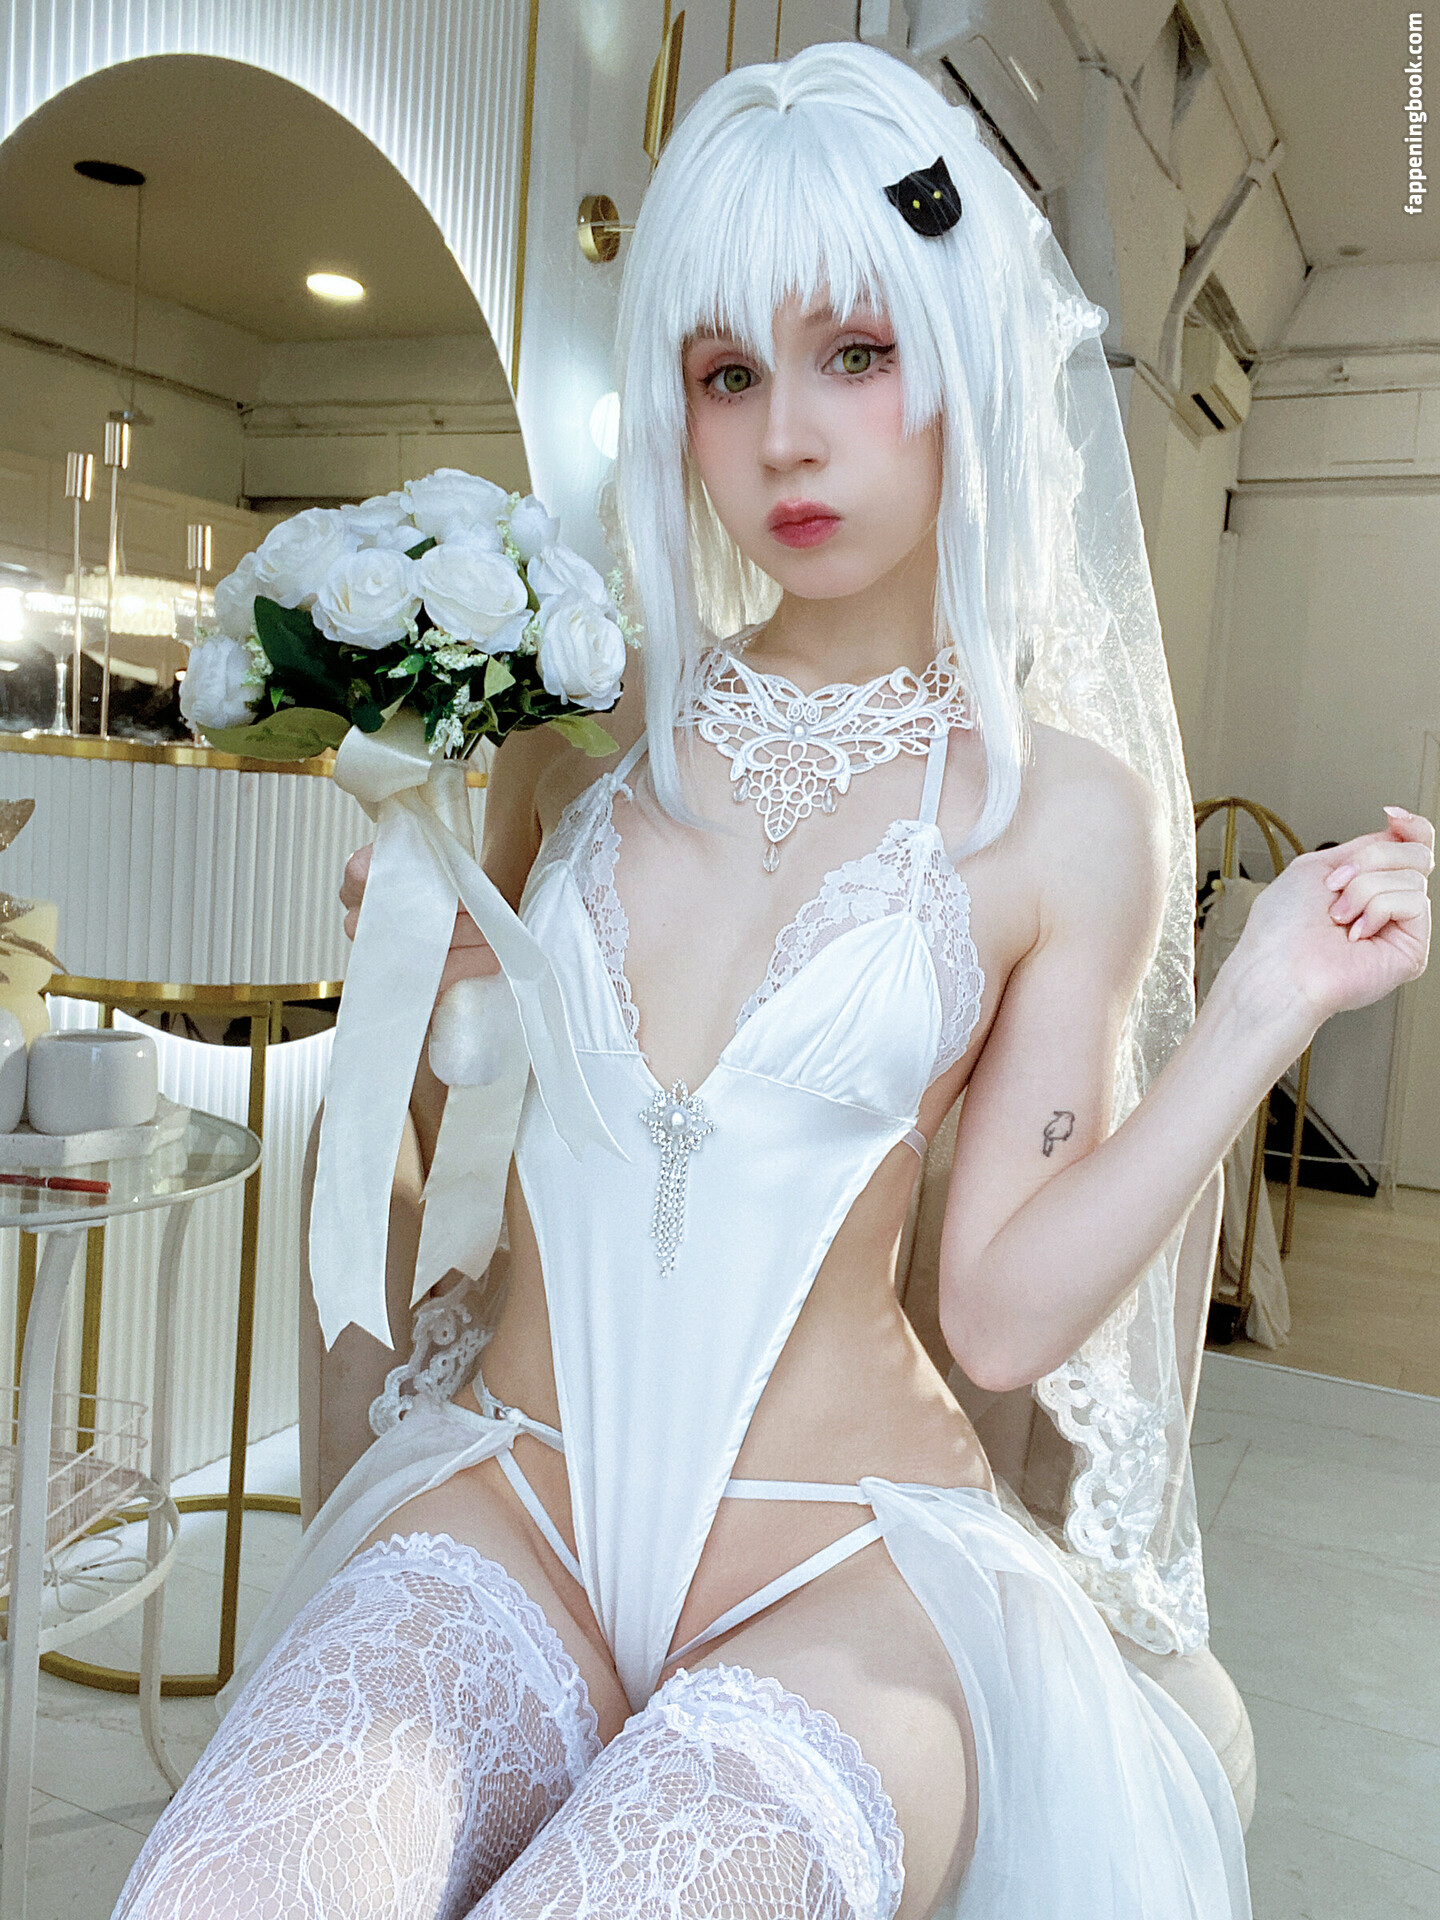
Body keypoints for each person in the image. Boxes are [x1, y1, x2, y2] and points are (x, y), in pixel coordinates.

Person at [114, 43, 1430, 1920]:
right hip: (518, 1504)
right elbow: (442, 1171)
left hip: (841, 1583)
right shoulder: (575, 727)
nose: (788, 438)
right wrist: (404, 972)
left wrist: (1259, 1009)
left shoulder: (1063, 815)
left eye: (856, 355)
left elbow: (996, 1318)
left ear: (963, 364)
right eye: (728, 373)